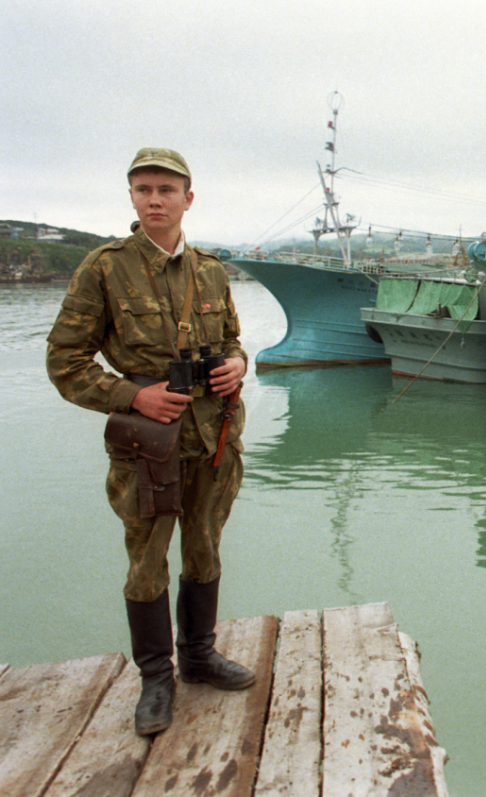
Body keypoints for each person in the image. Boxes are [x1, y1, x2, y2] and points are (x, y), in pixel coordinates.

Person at [47, 148, 254, 736]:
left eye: (166, 189)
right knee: (146, 563)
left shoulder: (211, 270)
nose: (155, 199)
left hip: (213, 439)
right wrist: (132, 397)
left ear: (189, 197)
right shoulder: (105, 268)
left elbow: (234, 338)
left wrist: (237, 364)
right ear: (132, 198)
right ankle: (156, 678)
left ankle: (198, 656)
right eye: (144, 190)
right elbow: (64, 362)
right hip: (148, 445)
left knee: (206, 549)